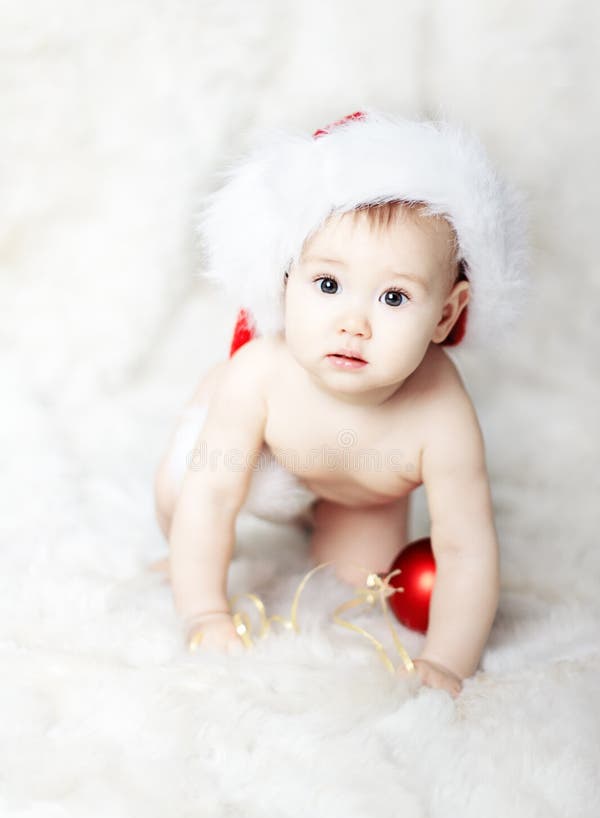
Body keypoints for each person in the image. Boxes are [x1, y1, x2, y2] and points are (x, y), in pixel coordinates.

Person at [153, 109, 527, 697]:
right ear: (285, 282)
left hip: (359, 491)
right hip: (262, 457)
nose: (354, 323)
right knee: (186, 489)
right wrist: (205, 612)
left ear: (446, 315)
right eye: (328, 285)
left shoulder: (441, 414)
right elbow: (213, 496)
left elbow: (465, 545)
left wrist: (449, 660)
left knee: (355, 581)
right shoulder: (260, 374)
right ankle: (190, 547)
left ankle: (321, 519)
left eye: (395, 297)